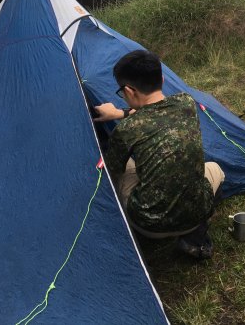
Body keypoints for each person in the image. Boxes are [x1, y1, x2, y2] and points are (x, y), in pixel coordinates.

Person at [94, 50, 225, 259]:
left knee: (123, 169)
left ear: (128, 90)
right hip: (197, 211)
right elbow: (153, 110)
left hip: (150, 224)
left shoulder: (127, 130)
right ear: (162, 79)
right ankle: (194, 240)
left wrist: (119, 118)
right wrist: (120, 113)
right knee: (216, 169)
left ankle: (133, 239)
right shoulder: (186, 103)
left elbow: (110, 173)